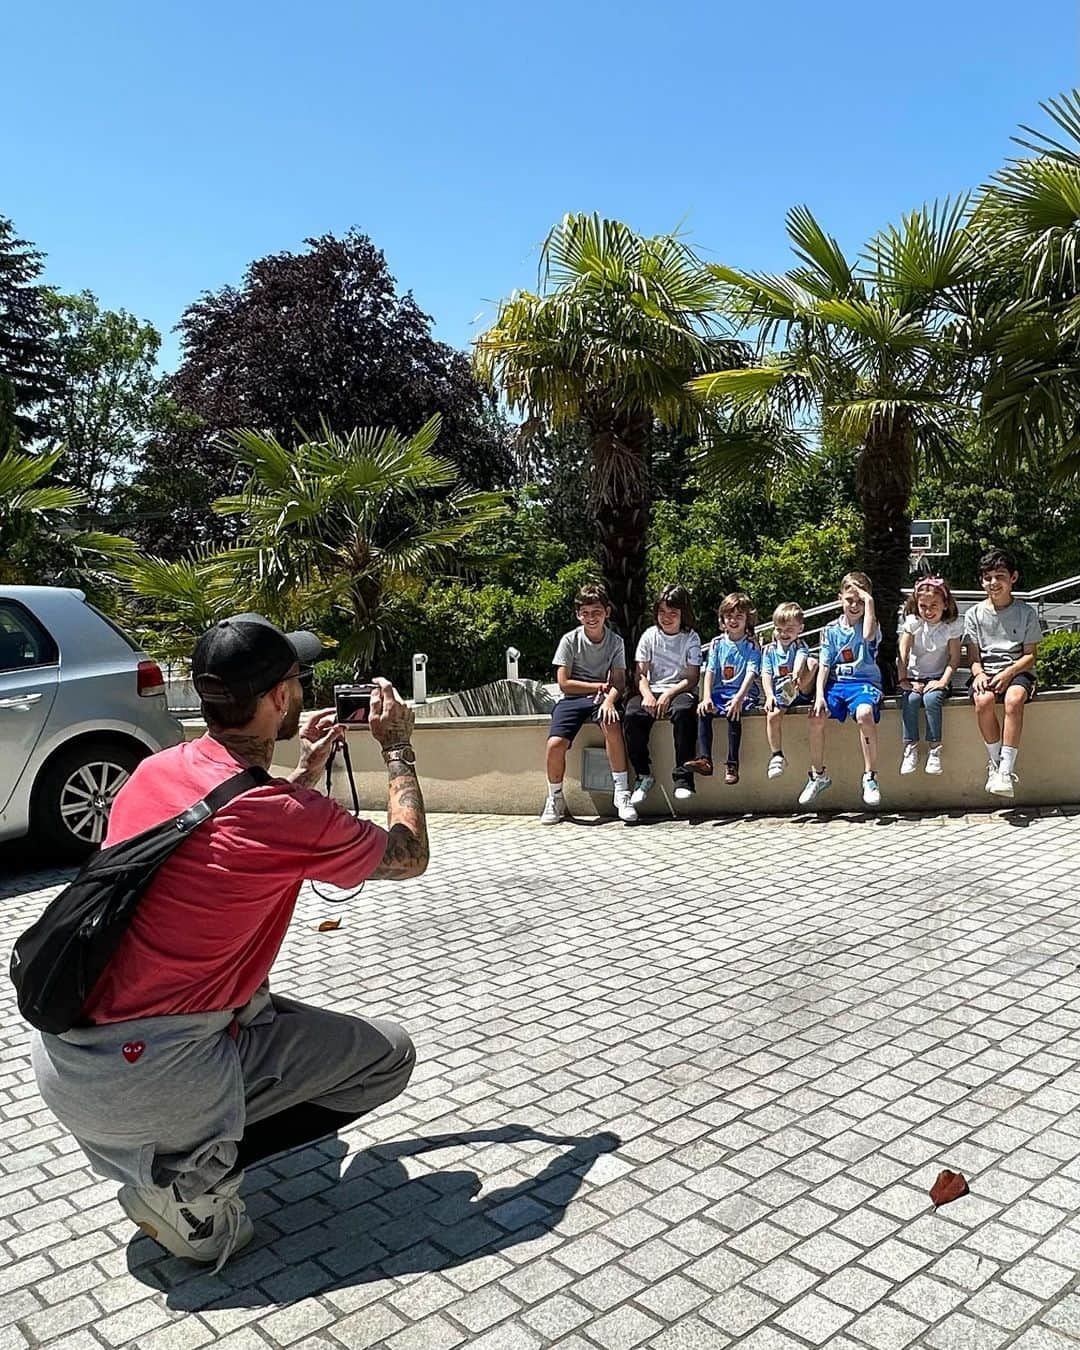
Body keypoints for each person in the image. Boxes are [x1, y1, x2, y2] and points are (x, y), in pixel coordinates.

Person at [31, 614, 428, 1271]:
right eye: (296, 680)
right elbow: (409, 855)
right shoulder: (285, 817)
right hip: (151, 1077)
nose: (302, 688)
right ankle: (184, 1186)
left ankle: (176, 1146)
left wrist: (300, 774)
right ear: (277, 700)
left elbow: (236, 831)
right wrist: (397, 748)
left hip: (71, 1061)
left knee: (256, 995)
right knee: (388, 1058)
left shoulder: (157, 772)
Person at [541, 583, 637, 824]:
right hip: (573, 699)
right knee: (555, 744)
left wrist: (609, 700)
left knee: (612, 724)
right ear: (578, 614)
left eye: (596, 612)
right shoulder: (569, 640)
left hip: (604, 698)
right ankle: (554, 797)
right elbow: (564, 683)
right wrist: (598, 687)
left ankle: (622, 793)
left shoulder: (615, 642)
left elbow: (619, 681)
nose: (591, 618)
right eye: (585, 612)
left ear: (607, 612)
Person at [800, 571, 883, 809]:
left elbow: (867, 635)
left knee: (865, 714)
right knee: (816, 716)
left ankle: (870, 776)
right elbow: (824, 663)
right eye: (850, 600)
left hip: (864, 683)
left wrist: (870, 602)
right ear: (840, 599)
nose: (854, 605)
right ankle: (818, 775)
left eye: (860, 600)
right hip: (838, 684)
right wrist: (818, 696)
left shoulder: (871, 624)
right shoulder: (829, 630)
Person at [964, 547, 1042, 798]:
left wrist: (1009, 673)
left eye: (1000, 576)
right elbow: (973, 659)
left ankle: (1007, 770)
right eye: (988, 578)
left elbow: (1030, 656)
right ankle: (995, 764)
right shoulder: (973, 614)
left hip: (1017, 670)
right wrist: (979, 675)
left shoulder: (1026, 612)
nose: (993, 583)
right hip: (987, 672)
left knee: (1014, 699)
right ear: (981, 581)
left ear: (1013, 578)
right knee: (983, 700)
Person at [623, 585, 702, 806]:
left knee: (684, 711)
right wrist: (647, 694)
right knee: (632, 714)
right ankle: (643, 775)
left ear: (682, 615)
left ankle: (683, 777)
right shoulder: (649, 636)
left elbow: (692, 677)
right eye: (662, 612)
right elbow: (641, 673)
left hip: (680, 690)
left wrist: (669, 693)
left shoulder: (691, 638)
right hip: (652, 688)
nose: (667, 618)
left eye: (673, 613)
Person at [687, 592, 760, 786]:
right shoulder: (717, 643)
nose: (733, 621)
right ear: (722, 619)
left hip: (743, 693)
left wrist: (738, 698)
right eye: (729, 616)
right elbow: (710, 670)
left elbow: (751, 673)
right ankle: (705, 759)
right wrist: (707, 696)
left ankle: (732, 764)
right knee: (703, 711)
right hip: (720, 692)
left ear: (747, 619)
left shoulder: (752, 646)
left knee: (733, 712)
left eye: (739, 616)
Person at [897, 577, 963, 775]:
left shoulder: (950, 626)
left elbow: (954, 659)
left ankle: (935, 748)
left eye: (934, 605)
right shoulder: (913, 624)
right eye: (923, 606)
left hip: (938, 677)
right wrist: (904, 680)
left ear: (945, 604)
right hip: (915, 678)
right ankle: (911, 746)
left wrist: (942, 681)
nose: (928, 611)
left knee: (932, 698)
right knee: (911, 699)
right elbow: (903, 655)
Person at [760, 601, 818, 780]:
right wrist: (769, 696)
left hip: (800, 687)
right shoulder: (769, 650)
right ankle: (777, 755)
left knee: (812, 662)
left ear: (800, 629)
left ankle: (793, 689)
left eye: (789, 629)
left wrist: (796, 674)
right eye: (779, 629)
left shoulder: (800, 645)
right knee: (772, 716)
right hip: (781, 692)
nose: (784, 634)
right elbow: (767, 673)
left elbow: (801, 659)